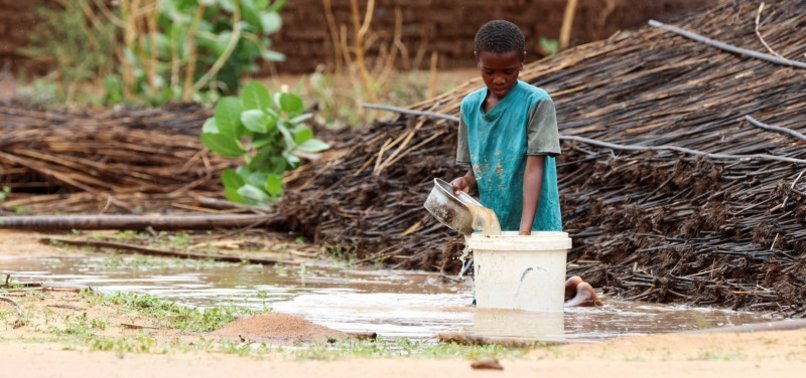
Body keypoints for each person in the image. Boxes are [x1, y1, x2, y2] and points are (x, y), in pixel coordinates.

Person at [451, 20, 601, 307]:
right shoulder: (470, 107)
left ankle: (579, 295)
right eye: (489, 71)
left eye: (508, 71)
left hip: (533, 214)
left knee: (531, 304)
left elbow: (535, 166)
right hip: (495, 217)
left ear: (522, 63)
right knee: (493, 301)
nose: (498, 79)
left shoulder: (537, 103)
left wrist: (524, 232)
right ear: (477, 62)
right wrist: (466, 182)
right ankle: (572, 289)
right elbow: (479, 164)